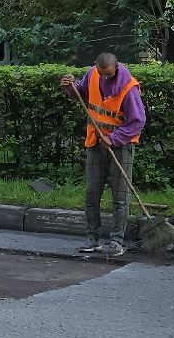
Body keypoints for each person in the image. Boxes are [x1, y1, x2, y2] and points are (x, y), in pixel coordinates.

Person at [61, 52, 145, 256]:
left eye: (108, 74)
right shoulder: (92, 74)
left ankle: (116, 241)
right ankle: (93, 238)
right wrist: (70, 87)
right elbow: (80, 93)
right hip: (95, 144)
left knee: (120, 198)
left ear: (116, 68)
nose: (104, 77)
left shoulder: (129, 88)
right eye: (101, 73)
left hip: (120, 147)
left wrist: (114, 138)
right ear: (95, 67)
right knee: (91, 194)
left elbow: (137, 121)